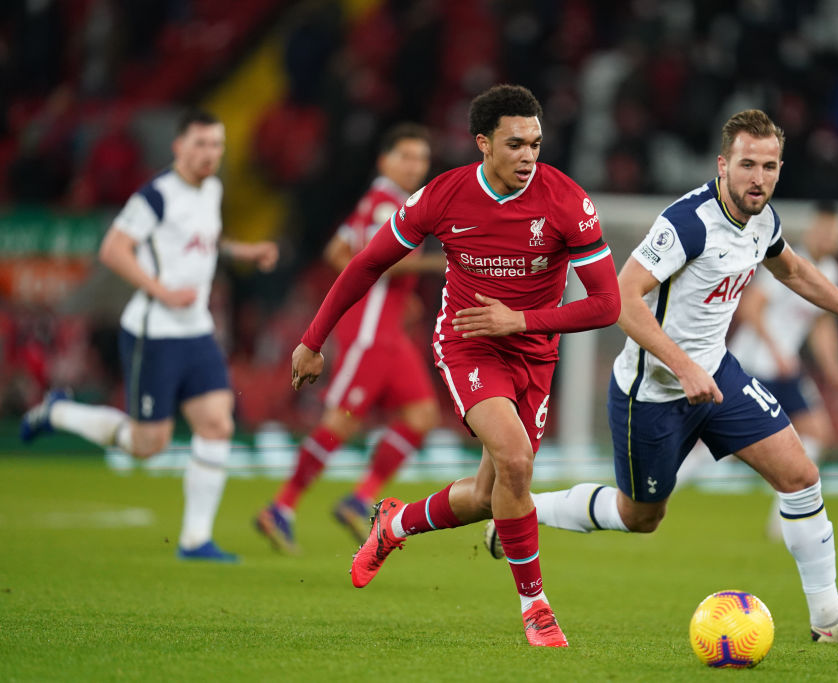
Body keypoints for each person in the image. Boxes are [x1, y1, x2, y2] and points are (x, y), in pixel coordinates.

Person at [487, 109, 838, 646]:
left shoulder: (764, 220)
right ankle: (519, 515)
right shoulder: (688, 222)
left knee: (801, 475)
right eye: (746, 164)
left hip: (718, 378)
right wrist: (683, 364)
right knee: (641, 516)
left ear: (780, 169)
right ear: (723, 165)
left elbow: (794, 270)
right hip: (651, 391)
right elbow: (618, 299)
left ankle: (829, 617)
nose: (757, 178)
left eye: (768, 166)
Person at [290, 84, 620, 647]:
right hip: (468, 344)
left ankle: (393, 524)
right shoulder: (442, 196)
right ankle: (536, 608)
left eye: (536, 144)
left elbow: (607, 305)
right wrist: (313, 339)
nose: (528, 157)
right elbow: (367, 263)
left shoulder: (566, 201)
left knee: (495, 494)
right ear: (483, 144)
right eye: (515, 145)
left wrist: (520, 320)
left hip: (533, 350)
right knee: (516, 460)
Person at [21, 109, 279, 562]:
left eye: (216, 145)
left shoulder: (212, 189)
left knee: (217, 423)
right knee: (147, 444)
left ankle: (195, 540)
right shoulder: (157, 195)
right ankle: (59, 413)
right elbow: (113, 249)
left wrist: (246, 250)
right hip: (153, 331)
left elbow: (204, 241)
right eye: (199, 144)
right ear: (178, 147)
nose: (208, 154)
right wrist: (161, 291)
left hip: (196, 329)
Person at [255, 124, 444, 552]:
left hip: (390, 331)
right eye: (407, 157)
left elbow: (338, 252)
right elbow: (386, 261)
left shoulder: (379, 202)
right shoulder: (385, 204)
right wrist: (440, 264)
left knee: (422, 415)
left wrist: (392, 292)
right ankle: (279, 507)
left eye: (421, 159)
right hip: (369, 333)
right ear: (385, 161)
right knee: (341, 421)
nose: (415, 166)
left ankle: (359, 501)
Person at [683, 200, 838, 537]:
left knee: (817, 433)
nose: (829, 236)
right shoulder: (788, 263)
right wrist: (777, 351)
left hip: (784, 369)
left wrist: (834, 366)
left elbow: (820, 324)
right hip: (754, 364)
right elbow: (751, 308)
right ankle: (655, 496)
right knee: (722, 449)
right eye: (824, 229)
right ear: (813, 230)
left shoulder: (831, 272)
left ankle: (784, 521)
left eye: (835, 232)